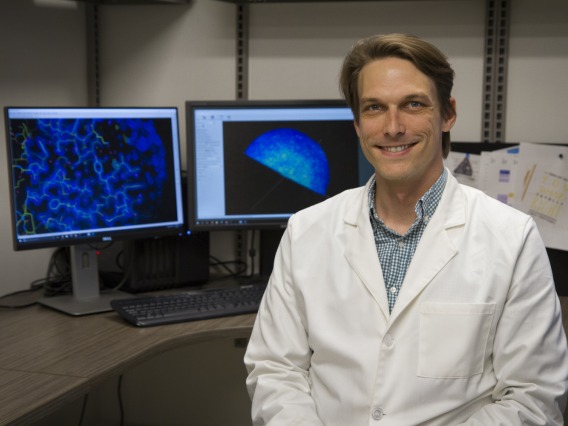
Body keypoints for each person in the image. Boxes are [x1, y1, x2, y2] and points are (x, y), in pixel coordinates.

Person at [244, 33, 568, 425]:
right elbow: (276, 371)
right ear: (358, 123)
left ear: (448, 114)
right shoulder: (306, 231)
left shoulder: (512, 238)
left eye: (413, 104)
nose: (393, 127)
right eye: (374, 108)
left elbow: (533, 398)